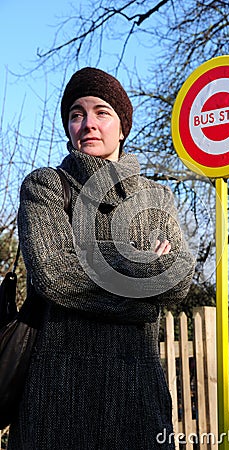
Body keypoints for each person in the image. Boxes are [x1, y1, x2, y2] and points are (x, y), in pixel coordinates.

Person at [8, 67, 196, 450]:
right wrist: (144, 280)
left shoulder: (157, 197)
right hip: (57, 395)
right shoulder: (45, 186)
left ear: (122, 127)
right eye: (76, 114)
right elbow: (56, 274)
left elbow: (179, 280)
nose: (88, 123)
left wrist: (91, 258)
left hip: (139, 396)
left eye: (101, 112)